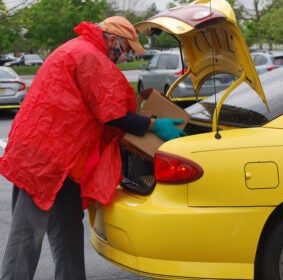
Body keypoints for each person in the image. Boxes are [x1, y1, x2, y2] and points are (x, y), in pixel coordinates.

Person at [0, 16, 186, 280]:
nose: (127, 56)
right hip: (42, 156)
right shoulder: (89, 56)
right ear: (113, 40)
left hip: (60, 155)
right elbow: (113, 115)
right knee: (28, 233)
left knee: (67, 228)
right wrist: (154, 125)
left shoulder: (79, 49)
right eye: (127, 50)